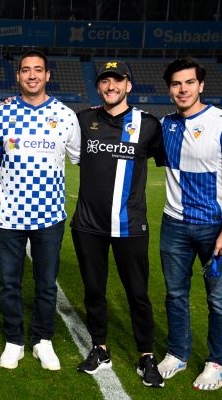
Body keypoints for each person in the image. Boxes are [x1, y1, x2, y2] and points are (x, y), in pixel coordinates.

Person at [0, 50, 80, 370]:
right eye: (26, 70)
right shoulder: (4, 114)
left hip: (49, 214)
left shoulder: (66, 116)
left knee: (45, 282)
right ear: (18, 76)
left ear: (48, 75)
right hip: (9, 213)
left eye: (38, 70)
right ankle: (14, 341)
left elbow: (84, 159)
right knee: (9, 282)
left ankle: (43, 341)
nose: (32, 75)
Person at [157, 57, 222, 391]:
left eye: (189, 82)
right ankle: (178, 354)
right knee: (175, 295)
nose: (183, 89)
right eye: (176, 84)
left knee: (219, 300)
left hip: (214, 228)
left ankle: (217, 364)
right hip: (174, 225)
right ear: (169, 88)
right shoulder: (166, 125)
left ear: (201, 85)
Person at [71, 60, 165, 387]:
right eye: (105, 81)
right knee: (94, 291)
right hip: (88, 225)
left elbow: (176, 158)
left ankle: (146, 355)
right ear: (98, 86)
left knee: (138, 293)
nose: (111, 86)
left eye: (117, 80)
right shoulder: (82, 120)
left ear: (128, 84)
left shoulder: (150, 125)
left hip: (130, 225)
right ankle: (100, 348)